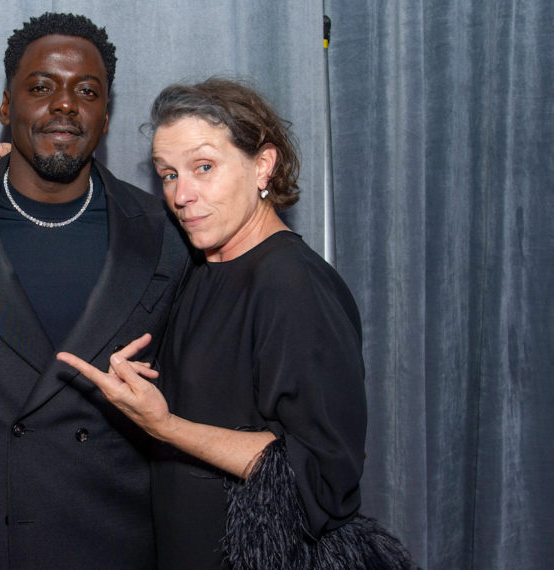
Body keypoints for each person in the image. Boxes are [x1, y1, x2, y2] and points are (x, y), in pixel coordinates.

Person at [57, 78, 416, 569]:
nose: (182, 194)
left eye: (204, 167)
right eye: (168, 174)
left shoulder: (292, 283)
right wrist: (12, 167)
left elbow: (323, 473)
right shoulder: (204, 267)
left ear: (262, 164)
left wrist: (165, 425)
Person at [0, 12, 188, 569]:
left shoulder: (166, 230)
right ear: (7, 107)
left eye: (88, 91)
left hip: (115, 539)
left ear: (105, 115)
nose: (66, 104)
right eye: (42, 87)